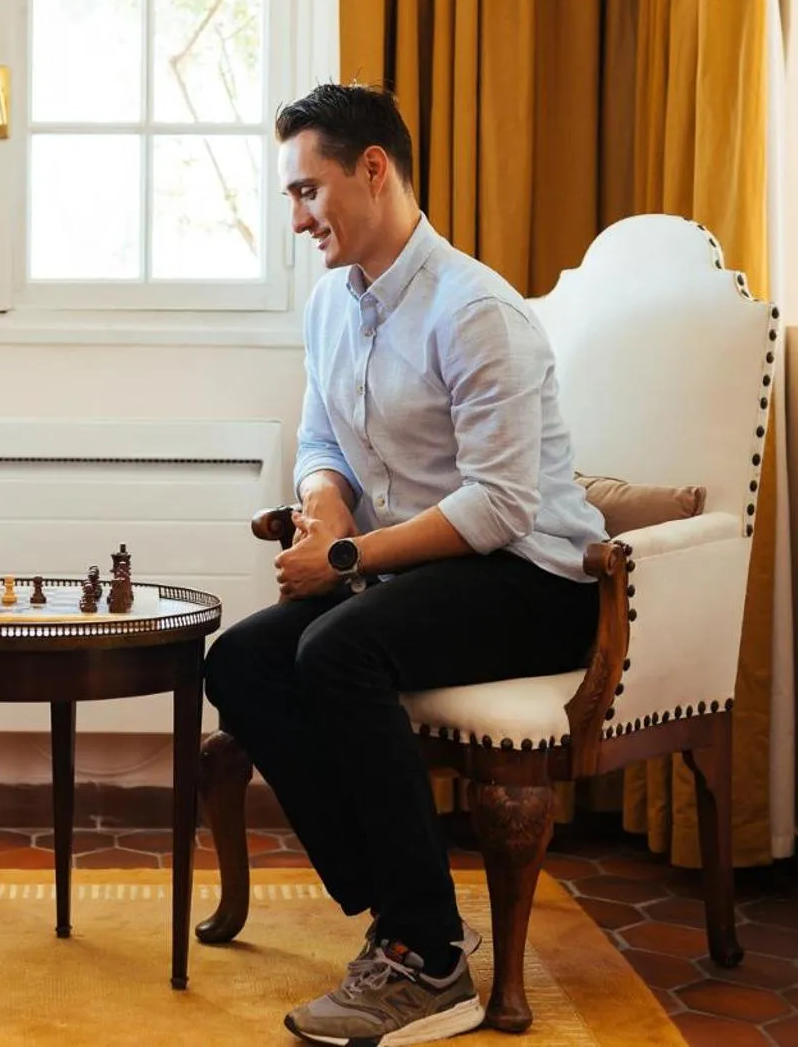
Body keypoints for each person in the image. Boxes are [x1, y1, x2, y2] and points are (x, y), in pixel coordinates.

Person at [203, 84, 607, 1044]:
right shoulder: (329, 305)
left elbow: (501, 505)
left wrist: (344, 556)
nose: (297, 218)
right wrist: (325, 507)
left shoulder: (476, 311)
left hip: (535, 578)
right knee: (239, 662)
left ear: (372, 170)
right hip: (420, 573)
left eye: (308, 192)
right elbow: (320, 444)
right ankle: (408, 912)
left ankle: (424, 954)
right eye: (290, 198)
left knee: (337, 651)